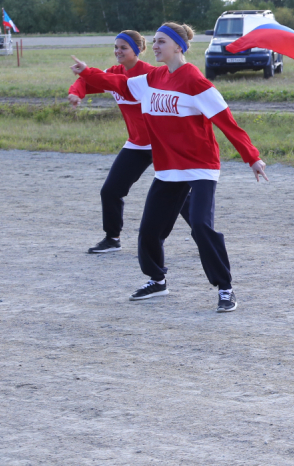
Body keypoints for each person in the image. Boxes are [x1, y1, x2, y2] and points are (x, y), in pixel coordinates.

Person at [71, 22, 268, 313]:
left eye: (162, 41)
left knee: (201, 225)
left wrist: (252, 157)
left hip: (200, 166)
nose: (156, 46)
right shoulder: (153, 77)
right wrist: (87, 73)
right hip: (168, 168)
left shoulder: (196, 82)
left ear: (178, 46)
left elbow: (227, 123)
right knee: (150, 230)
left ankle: (225, 288)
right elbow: (120, 84)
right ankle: (157, 280)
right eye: (155, 41)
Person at [68, 31, 165, 254]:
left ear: (137, 50)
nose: (117, 51)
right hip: (137, 144)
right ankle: (112, 238)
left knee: (177, 196)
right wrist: (76, 93)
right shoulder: (114, 72)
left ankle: (202, 235)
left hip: (161, 142)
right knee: (110, 191)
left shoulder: (151, 73)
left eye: (123, 48)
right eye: (116, 47)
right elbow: (87, 82)